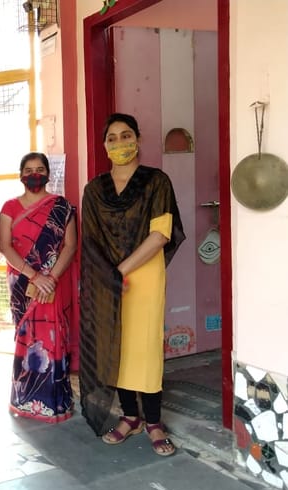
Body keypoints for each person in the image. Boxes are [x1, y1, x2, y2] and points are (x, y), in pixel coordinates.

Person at [79, 113, 185, 457]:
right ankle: (130, 417)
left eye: (126, 135)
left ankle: (153, 421)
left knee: (146, 347)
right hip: (107, 278)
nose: (120, 143)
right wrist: (108, 276)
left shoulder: (156, 181)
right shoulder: (95, 189)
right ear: (104, 145)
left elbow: (160, 235)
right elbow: (90, 241)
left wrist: (119, 272)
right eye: (112, 138)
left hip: (144, 276)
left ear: (138, 139)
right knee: (118, 346)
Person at [0, 152, 77, 423]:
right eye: (29, 170)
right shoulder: (10, 207)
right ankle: (24, 399)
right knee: (26, 337)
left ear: (48, 174)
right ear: (21, 175)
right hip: (23, 283)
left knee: (54, 339)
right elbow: (5, 247)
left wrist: (50, 278)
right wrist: (34, 276)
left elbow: (70, 246)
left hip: (54, 282)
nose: (35, 174)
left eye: (40, 169)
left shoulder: (61, 207)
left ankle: (55, 402)